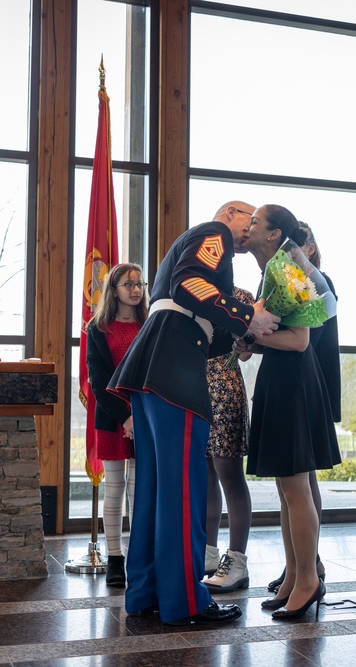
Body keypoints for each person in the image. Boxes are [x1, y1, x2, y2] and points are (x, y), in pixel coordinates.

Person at [108, 201, 281, 626]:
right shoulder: (214, 232)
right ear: (230, 215)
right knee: (184, 489)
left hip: (154, 366)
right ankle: (186, 601)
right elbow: (189, 286)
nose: (250, 227)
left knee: (153, 488)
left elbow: (194, 313)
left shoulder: (199, 242)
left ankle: (146, 593)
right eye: (248, 217)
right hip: (174, 373)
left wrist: (238, 335)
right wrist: (247, 314)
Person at [240, 204, 341, 621]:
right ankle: (292, 577)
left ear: (273, 235)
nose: (246, 228)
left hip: (295, 383)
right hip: (279, 380)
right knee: (285, 491)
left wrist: (247, 332)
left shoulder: (287, 271)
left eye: (254, 223)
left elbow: (299, 341)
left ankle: (307, 581)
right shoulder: (270, 272)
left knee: (296, 490)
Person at [266, 220, 338, 593]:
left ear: (309, 249)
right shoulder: (291, 280)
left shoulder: (313, 285)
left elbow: (306, 341)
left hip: (309, 385)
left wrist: (258, 332)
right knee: (294, 484)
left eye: (299, 244)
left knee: (301, 483)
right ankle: (298, 567)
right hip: (299, 382)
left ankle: (309, 567)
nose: (290, 250)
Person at [86, 262, 149, 588]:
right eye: (128, 284)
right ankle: (115, 557)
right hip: (113, 417)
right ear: (114, 290)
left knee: (139, 492)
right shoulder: (97, 328)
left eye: (139, 284)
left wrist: (139, 416)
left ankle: (138, 556)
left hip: (145, 416)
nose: (136, 290)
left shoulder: (150, 325)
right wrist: (125, 417)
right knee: (114, 490)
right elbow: (99, 381)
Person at [201, 285, 255, 593]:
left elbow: (247, 349)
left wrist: (245, 344)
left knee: (229, 474)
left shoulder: (242, 297)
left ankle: (236, 561)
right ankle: (208, 554)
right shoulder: (195, 292)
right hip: (194, 385)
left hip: (224, 383)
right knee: (206, 475)